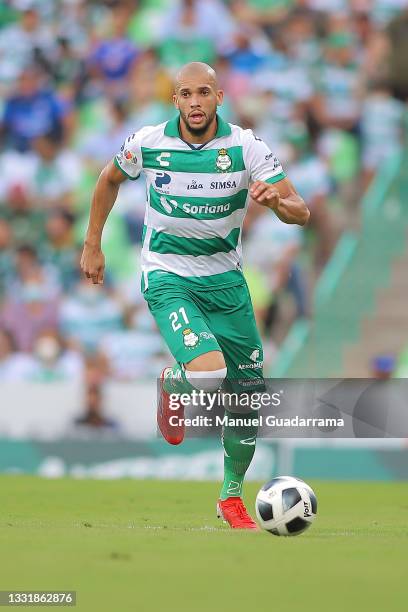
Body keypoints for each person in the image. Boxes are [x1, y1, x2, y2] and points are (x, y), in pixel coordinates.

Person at [80, 62, 309, 529]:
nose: (196, 102)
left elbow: (300, 212)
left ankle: (230, 497)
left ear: (219, 97)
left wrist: (276, 203)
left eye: (205, 93)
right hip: (168, 274)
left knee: (248, 396)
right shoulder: (148, 143)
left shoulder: (247, 147)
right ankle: (174, 381)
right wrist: (92, 244)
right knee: (209, 373)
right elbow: (107, 180)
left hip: (226, 281)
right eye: (186, 94)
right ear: (176, 100)